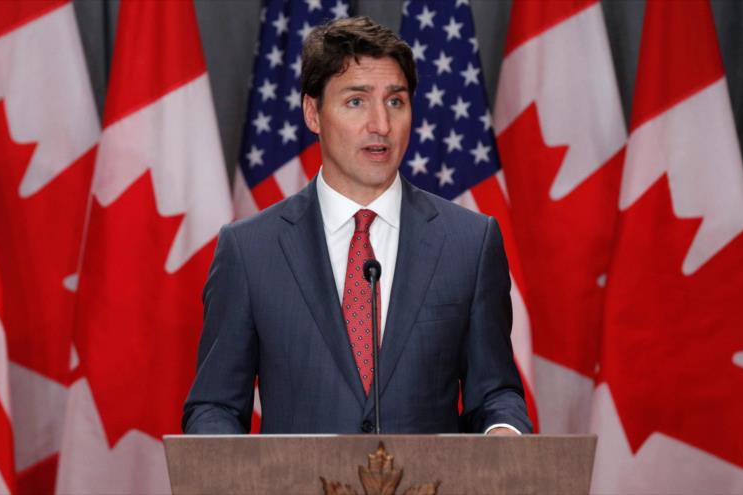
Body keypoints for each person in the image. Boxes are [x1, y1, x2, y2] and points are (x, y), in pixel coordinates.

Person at [182, 16, 531, 435]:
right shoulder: (250, 250)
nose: (380, 125)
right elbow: (215, 406)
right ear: (313, 113)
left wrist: (503, 437)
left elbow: (495, 394)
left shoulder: (470, 243)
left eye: (395, 102)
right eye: (356, 101)